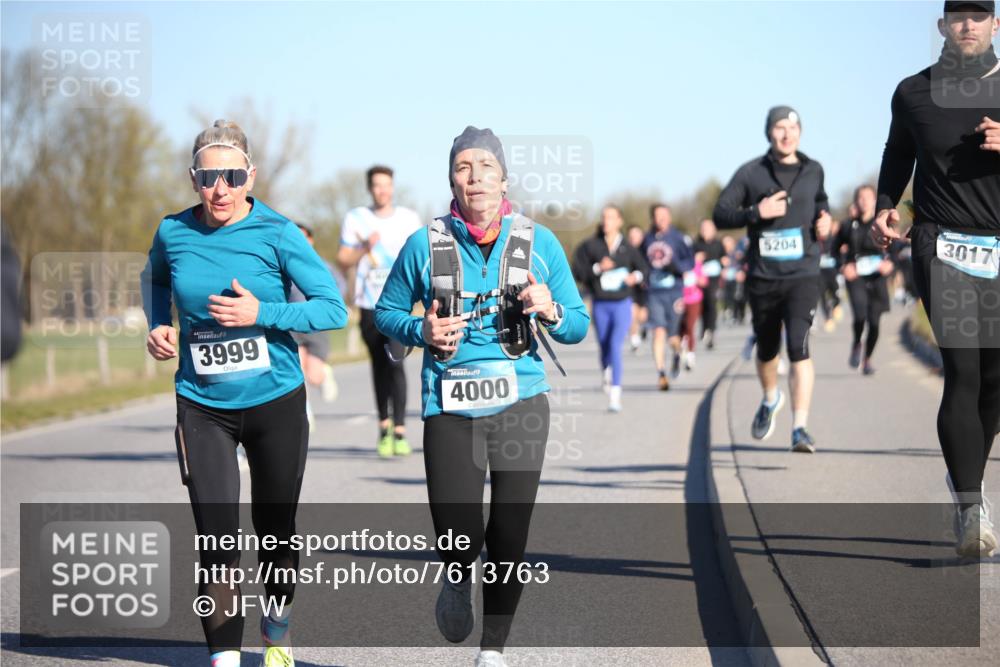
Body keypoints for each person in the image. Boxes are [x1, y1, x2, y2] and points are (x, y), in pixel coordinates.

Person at [375, 126, 588, 667]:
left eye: (485, 167)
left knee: (510, 536)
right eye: (464, 167)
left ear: (504, 179)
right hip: (450, 405)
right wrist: (419, 331)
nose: (475, 177)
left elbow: (577, 324)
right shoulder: (425, 244)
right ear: (452, 179)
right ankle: (455, 572)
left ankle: (492, 651)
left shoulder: (539, 242)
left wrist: (551, 310)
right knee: (458, 532)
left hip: (521, 401)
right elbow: (386, 315)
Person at [141, 120, 348, 667]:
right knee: (216, 536)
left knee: (276, 531)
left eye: (232, 176)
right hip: (203, 405)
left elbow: (332, 308)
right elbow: (156, 279)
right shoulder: (172, 232)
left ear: (250, 176)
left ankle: (276, 626)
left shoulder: (279, 233)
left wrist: (264, 313)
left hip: (275, 403)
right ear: (193, 179)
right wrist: (160, 323)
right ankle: (225, 657)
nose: (221, 188)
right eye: (209, 177)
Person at [871, 0, 1000, 558]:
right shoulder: (913, 92)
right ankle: (972, 507)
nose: (967, 24)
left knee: (996, 382)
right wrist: (883, 206)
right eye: (958, 15)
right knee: (963, 369)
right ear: (943, 25)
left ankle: (963, 478)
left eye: (979, 14)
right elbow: (898, 153)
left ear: (997, 23)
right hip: (940, 243)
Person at [714, 106, 833, 453]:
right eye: (780, 128)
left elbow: (821, 204)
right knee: (767, 349)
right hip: (764, 278)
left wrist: (824, 220)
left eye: (793, 127)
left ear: (800, 132)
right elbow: (721, 213)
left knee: (799, 346)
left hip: (803, 275)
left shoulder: (814, 170)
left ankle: (800, 428)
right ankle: (770, 397)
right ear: (769, 132)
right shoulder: (751, 173)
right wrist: (756, 212)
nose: (786, 134)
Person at [338, 165, 422, 457]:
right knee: (378, 366)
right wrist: (364, 247)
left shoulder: (408, 219)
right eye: (376, 185)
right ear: (370, 188)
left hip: (399, 306)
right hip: (368, 304)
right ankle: (383, 428)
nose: (382, 190)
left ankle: (400, 430)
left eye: (386, 184)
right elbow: (343, 260)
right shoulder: (356, 219)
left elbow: (421, 259)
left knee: (396, 363)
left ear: (392, 187)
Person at [572, 206, 645, 411]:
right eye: (604, 217)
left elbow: (643, 269)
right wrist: (597, 268)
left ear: (619, 221)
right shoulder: (590, 246)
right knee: (604, 346)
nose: (607, 221)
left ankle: (615, 395)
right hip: (600, 303)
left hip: (622, 303)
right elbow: (578, 271)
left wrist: (635, 277)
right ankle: (605, 370)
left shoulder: (628, 248)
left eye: (611, 217)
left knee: (615, 346)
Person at [290, 222, 348, 430]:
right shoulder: (283, 263)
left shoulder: (322, 265)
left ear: (311, 240)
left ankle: (324, 372)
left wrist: (328, 306)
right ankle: (304, 412)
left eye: (304, 237)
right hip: (291, 325)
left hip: (316, 325)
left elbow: (341, 286)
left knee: (313, 376)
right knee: (297, 371)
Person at [837, 185, 894, 375]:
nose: (864, 201)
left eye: (868, 197)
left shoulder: (882, 224)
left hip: (877, 277)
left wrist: (890, 263)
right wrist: (844, 266)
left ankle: (867, 359)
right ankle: (856, 343)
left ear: (874, 201)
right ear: (855, 201)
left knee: (875, 323)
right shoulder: (847, 225)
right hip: (856, 277)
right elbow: (833, 250)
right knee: (860, 315)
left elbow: (896, 249)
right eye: (860, 198)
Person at [642, 204, 694, 390]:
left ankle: (679, 351)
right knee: (658, 331)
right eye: (657, 216)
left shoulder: (679, 238)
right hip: (654, 293)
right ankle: (661, 374)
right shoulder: (646, 239)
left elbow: (690, 262)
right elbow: (640, 261)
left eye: (664, 215)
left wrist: (677, 267)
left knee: (672, 336)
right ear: (653, 219)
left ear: (669, 217)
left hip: (674, 292)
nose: (661, 219)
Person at [693, 219, 725, 349]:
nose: (705, 231)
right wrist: (696, 259)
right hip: (699, 279)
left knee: (711, 302)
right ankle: (704, 328)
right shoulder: (696, 245)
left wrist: (724, 263)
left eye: (708, 228)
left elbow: (724, 259)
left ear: (713, 230)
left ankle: (711, 330)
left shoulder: (718, 244)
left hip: (713, 279)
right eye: (703, 228)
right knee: (701, 305)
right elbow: (689, 261)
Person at [680, 254, 707, 370]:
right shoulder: (675, 264)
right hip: (679, 300)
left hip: (694, 300)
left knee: (690, 326)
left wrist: (695, 278)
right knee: (680, 329)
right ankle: (681, 351)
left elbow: (704, 281)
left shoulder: (697, 264)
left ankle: (690, 354)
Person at [626, 225, 650, 352]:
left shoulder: (648, 249)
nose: (634, 239)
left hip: (646, 288)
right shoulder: (625, 250)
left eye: (636, 236)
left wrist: (645, 279)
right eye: (631, 236)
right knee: (632, 313)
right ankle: (634, 339)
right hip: (631, 288)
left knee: (642, 316)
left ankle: (644, 326)